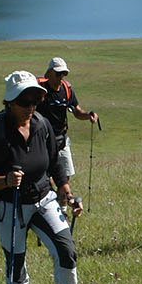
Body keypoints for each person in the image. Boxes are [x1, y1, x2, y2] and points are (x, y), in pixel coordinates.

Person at [0, 70, 85, 284]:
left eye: (35, 102)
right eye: (25, 103)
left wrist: (66, 191)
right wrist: (5, 181)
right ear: (10, 103)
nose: (31, 108)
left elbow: (55, 161)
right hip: (8, 203)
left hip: (43, 197)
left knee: (65, 249)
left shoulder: (41, 124)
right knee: (16, 260)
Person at [37, 56, 98, 189]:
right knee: (48, 180)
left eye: (64, 74)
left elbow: (76, 111)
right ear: (49, 74)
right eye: (58, 74)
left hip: (61, 140)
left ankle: (63, 208)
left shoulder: (67, 89)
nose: (61, 77)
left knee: (65, 180)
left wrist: (88, 116)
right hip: (43, 141)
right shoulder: (40, 90)